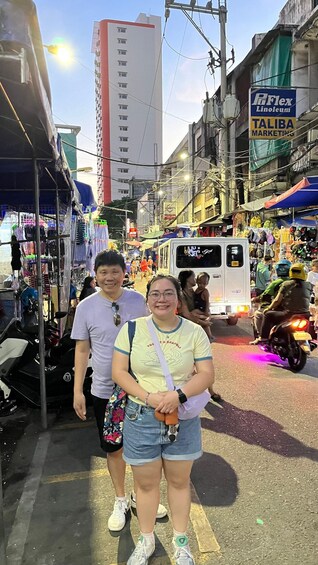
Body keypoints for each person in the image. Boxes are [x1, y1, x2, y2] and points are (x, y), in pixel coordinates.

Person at [112, 274, 215, 565]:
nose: (161, 299)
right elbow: (118, 372)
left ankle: (181, 543)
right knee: (145, 486)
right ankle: (145, 541)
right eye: (155, 294)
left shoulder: (194, 332)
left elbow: (207, 375)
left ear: (178, 300)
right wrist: (148, 396)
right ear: (147, 300)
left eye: (168, 293)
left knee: (180, 483)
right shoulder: (132, 330)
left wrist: (178, 395)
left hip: (180, 418)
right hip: (140, 415)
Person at [72, 250, 167, 532]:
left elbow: (155, 337)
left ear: (124, 273)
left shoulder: (139, 301)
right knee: (113, 449)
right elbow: (81, 349)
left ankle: (140, 496)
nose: (109, 277)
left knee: (142, 448)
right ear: (96, 275)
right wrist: (78, 391)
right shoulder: (86, 307)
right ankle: (120, 499)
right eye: (103, 272)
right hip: (103, 390)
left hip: (140, 391)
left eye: (115, 271)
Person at [178, 270, 222, 403]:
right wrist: (203, 322)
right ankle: (189, 391)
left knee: (204, 363)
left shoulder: (196, 292)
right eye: (193, 277)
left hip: (198, 330)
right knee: (188, 364)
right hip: (187, 331)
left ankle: (210, 390)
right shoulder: (181, 294)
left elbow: (205, 307)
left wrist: (204, 319)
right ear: (187, 279)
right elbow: (186, 314)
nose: (195, 279)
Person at [258, 263, 312, 342]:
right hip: (305, 314)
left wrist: (268, 308)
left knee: (267, 314)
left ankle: (263, 338)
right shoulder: (308, 285)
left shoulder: (286, 284)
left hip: (289, 314)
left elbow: (277, 300)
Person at [249, 259, 291, 345]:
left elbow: (265, 295)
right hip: (297, 311)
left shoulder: (277, 283)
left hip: (281, 310)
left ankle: (263, 337)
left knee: (259, 314)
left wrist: (256, 299)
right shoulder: (300, 283)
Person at [194, 272, 214, 342]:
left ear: (207, 283)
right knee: (204, 324)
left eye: (204, 284)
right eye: (200, 283)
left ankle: (210, 336)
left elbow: (207, 302)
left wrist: (206, 312)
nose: (201, 285)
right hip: (199, 309)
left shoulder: (205, 291)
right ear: (196, 281)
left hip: (203, 310)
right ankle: (209, 336)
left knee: (194, 314)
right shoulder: (196, 290)